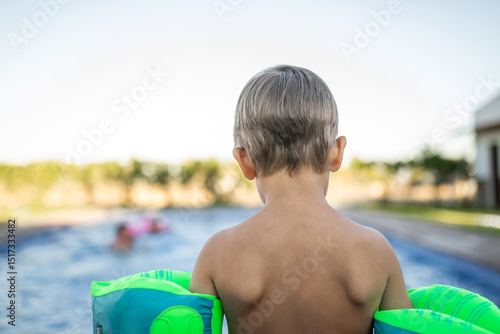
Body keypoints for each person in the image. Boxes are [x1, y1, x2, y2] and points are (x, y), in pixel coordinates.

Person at [189, 65, 413, 333]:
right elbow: (410, 328)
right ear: (336, 152)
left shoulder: (219, 252)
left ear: (244, 160)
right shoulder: (374, 249)